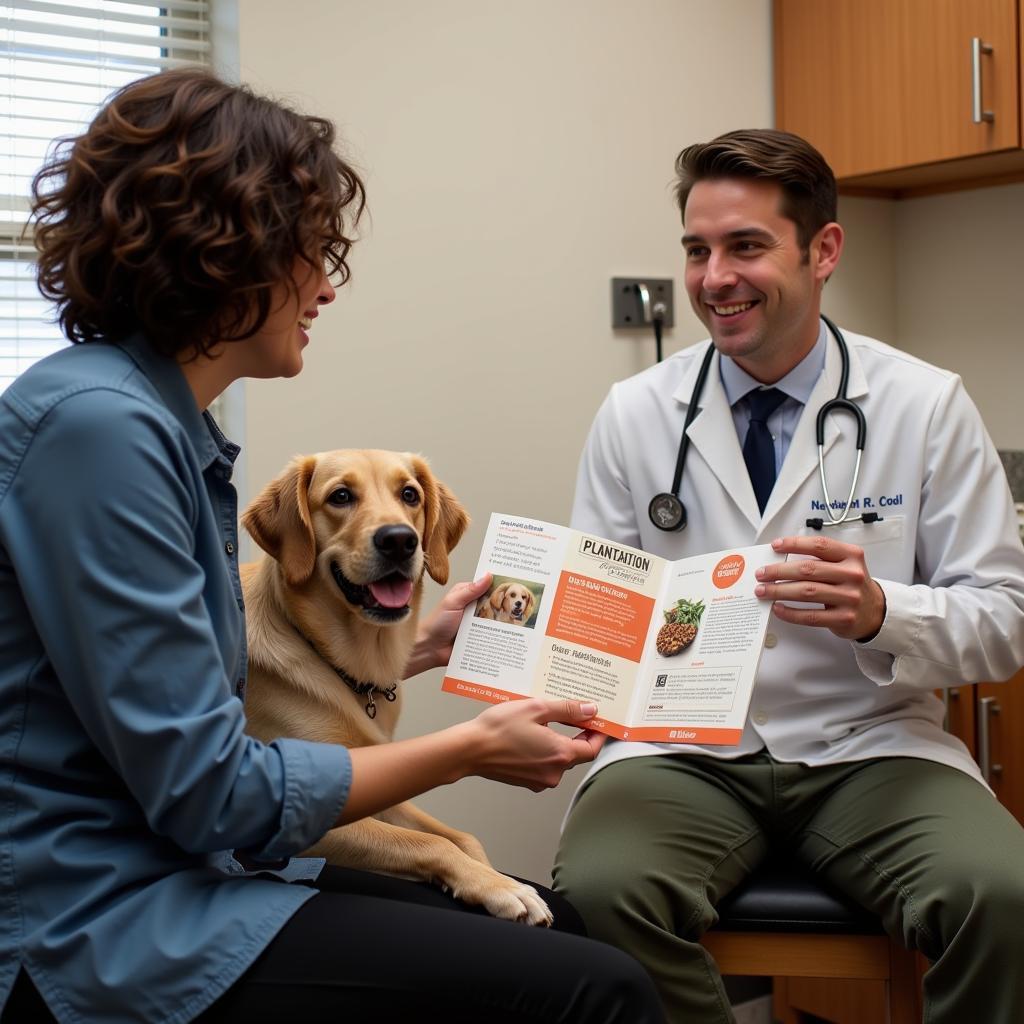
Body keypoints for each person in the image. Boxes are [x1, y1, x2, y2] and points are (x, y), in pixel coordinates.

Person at [0, 68, 666, 1024]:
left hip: (176, 867)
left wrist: (403, 649)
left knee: (561, 923)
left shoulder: (143, 418)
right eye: (313, 252)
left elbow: (181, 689)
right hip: (95, 917)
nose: (326, 286)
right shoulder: (99, 430)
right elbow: (210, 793)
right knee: (598, 992)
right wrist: (466, 750)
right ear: (227, 251)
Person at [553, 128, 1024, 1022]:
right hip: (682, 753)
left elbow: (1006, 620)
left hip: (870, 743)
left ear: (824, 250)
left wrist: (882, 611)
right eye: (697, 250)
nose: (713, 278)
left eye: (745, 246)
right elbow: (599, 616)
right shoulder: (636, 413)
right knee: (601, 891)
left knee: (1002, 897)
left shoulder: (924, 404)